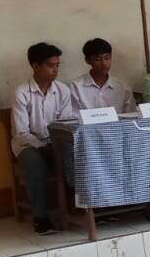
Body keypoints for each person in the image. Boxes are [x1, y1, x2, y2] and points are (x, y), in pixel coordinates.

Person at [11, 42, 76, 235]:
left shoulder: (63, 90)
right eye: (50, 65)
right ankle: (41, 218)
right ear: (35, 66)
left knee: (78, 154)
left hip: (56, 142)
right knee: (34, 162)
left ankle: (83, 207)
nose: (55, 70)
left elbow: (66, 124)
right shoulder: (22, 93)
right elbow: (21, 132)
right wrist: (42, 146)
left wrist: (55, 145)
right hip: (28, 145)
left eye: (57, 65)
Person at [70, 38, 138, 113]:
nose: (104, 63)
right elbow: (75, 117)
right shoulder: (76, 86)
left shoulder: (123, 88)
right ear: (88, 60)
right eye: (98, 59)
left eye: (107, 58)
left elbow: (131, 115)